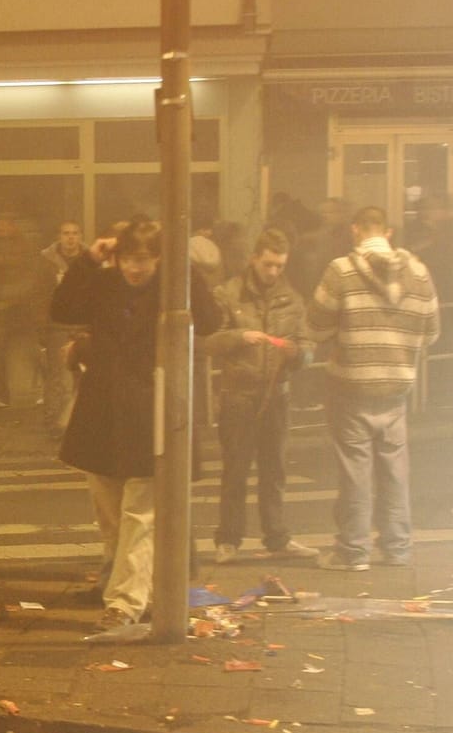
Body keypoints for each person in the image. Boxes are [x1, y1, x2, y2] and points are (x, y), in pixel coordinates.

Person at [54, 217, 221, 632]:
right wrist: (88, 261)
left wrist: (183, 267)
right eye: (128, 258)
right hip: (104, 412)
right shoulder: (105, 283)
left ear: (159, 258)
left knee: (139, 513)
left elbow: (212, 318)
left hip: (152, 410)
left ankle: (125, 602)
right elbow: (62, 309)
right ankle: (130, 585)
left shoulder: (172, 287)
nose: (135, 268)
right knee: (109, 511)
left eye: (144, 259)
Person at [307, 206, 441, 571]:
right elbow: (431, 333)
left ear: (356, 231)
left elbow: (316, 326)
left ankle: (353, 551)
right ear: (389, 232)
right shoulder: (419, 272)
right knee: (395, 468)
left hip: (351, 384)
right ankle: (397, 547)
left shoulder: (341, 271)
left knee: (356, 470)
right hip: (396, 388)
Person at [204, 229, 315, 564]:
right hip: (239, 393)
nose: (274, 272)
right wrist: (240, 337)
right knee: (236, 469)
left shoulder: (291, 299)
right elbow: (209, 341)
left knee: (274, 469)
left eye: (280, 266)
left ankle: (276, 536)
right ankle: (229, 539)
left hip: (276, 394)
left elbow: (307, 346)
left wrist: (297, 353)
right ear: (255, 258)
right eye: (268, 265)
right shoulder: (229, 294)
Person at [0, 212, 54, 409]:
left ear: (10, 224)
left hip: (21, 306)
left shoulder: (24, 244)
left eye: (0, 225)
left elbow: (27, 271)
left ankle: (51, 389)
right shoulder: (0, 244)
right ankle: (0, 396)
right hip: (8, 306)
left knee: (29, 352)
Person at [41, 220, 86, 434]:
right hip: (57, 324)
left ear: (80, 236)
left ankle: (75, 423)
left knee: (80, 376)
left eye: (74, 233)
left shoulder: (89, 260)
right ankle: (55, 422)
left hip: (83, 322)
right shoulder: (47, 262)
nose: (70, 237)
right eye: (66, 233)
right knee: (58, 375)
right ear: (59, 236)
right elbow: (40, 294)